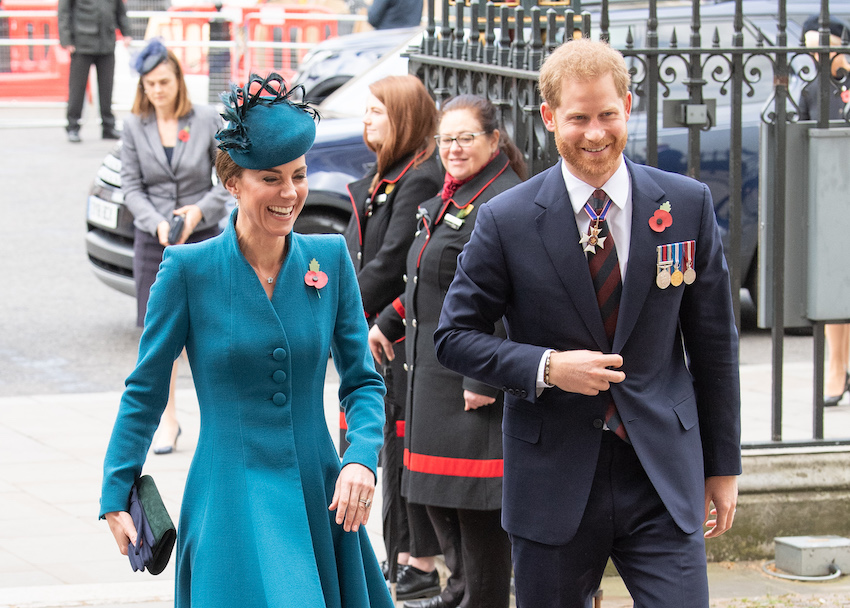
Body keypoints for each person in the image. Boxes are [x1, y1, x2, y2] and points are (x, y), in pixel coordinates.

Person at [435, 38, 742, 608]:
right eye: (578, 118)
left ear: (628, 105)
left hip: (660, 474)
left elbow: (714, 346)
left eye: (608, 114)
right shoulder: (507, 220)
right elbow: (453, 338)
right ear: (550, 117)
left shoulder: (687, 204)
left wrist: (723, 467)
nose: (596, 133)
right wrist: (547, 366)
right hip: (553, 478)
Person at [101, 73, 394, 608]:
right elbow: (145, 389)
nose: (290, 194)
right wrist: (116, 489)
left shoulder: (329, 260)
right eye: (271, 178)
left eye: (299, 176)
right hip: (227, 501)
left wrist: (362, 457)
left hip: (317, 493)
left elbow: (362, 382)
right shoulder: (188, 270)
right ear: (232, 183)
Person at [368, 95, 525, 608]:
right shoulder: (453, 195)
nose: (453, 149)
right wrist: (389, 321)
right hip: (430, 377)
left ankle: (480, 600)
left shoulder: (504, 200)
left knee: (476, 514)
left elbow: (515, 296)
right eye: (445, 139)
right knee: (437, 500)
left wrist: (485, 378)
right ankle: (458, 591)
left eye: (465, 138)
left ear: (494, 141)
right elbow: (429, 277)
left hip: (469, 383)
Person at [343, 74, 444, 600]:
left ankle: (416, 561)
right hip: (380, 334)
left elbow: (390, 264)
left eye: (376, 111)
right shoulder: (387, 176)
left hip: (401, 336)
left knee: (404, 446)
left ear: (403, 118)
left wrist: (343, 307)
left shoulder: (421, 179)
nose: (366, 121)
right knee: (389, 443)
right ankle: (400, 555)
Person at [121, 39, 229, 455]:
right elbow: (132, 187)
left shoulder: (204, 119)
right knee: (160, 338)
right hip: (155, 241)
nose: (157, 91)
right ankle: (168, 422)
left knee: (211, 333)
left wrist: (198, 213)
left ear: (178, 80)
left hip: (202, 237)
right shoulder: (134, 125)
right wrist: (157, 224)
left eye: (164, 82)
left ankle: (219, 419)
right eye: (149, 84)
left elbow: (226, 180)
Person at [798, 15, 850, 407]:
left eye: (825, 45)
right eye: (812, 46)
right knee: (835, 285)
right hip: (833, 194)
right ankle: (836, 368)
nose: (818, 53)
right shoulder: (813, 89)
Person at [58, 0, 130, 143]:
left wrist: (126, 32)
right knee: (77, 89)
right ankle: (73, 127)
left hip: (107, 42)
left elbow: (120, 10)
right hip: (81, 43)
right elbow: (64, 11)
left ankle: (108, 127)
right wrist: (66, 39)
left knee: (107, 88)